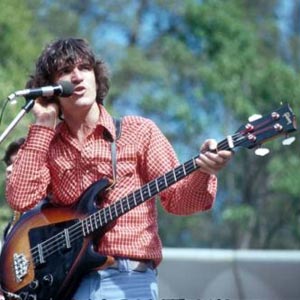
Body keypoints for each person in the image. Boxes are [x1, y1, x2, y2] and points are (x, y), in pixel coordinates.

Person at [6, 38, 232, 300]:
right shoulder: (47, 143)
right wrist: (44, 124)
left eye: (85, 68)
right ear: (50, 87)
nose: (77, 77)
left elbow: (180, 201)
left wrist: (205, 171)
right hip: (64, 284)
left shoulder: (139, 131)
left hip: (128, 280)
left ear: (96, 76)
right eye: (66, 70)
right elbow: (20, 198)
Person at [0, 137, 25, 300]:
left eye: (16, 164)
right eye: (8, 163)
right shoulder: (11, 225)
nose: (9, 169)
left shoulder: (54, 212)